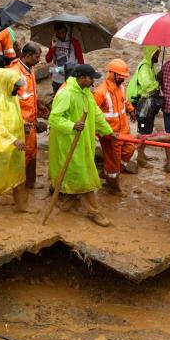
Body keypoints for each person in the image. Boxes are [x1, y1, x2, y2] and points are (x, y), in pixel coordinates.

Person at [48, 63, 116, 227]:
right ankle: (94, 212)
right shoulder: (66, 94)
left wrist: (108, 131)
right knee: (84, 178)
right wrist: (72, 125)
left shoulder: (86, 93)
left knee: (74, 176)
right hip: (69, 143)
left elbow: (97, 114)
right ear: (81, 78)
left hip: (84, 142)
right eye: (91, 78)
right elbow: (54, 119)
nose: (93, 81)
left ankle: (66, 205)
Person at [0, 67, 31, 214]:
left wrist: (23, 124)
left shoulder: (11, 97)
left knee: (18, 178)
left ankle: (21, 207)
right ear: (7, 84)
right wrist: (14, 140)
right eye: (16, 86)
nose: (18, 89)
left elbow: (14, 117)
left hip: (14, 147)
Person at [93, 59, 136, 194]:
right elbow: (93, 113)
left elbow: (125, 101)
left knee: (129, 149)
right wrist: (96, 131)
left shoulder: (122, 87)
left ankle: (109, 174)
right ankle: (114, 187)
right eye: (121, 76)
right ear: (112, 74)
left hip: (124, 130)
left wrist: (131, 110)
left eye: (124, 76)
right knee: (113, 161)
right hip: (110, 134)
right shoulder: (101, 92)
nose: (123, 79)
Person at [9, 42, 48, 188]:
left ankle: (29, 183)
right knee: (23, 154)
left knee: (31, 152)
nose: (39, 60)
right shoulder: (15, 73)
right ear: (27, 56)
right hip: (21, 122)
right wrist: (20, 122)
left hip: (31, 118)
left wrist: (39, 105)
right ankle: (17, 186)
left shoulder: (29, 69)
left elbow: (30, 93)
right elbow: (9, 100)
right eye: (37, 57)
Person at [45, 22, 84, 94]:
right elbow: (48, 60)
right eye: (58, 33)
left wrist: (81, 76)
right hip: (57, 77)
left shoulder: (74, 42)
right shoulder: (54, 42)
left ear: (66, 31)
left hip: (71, 77)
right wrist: (52, 48)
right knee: (58, 98)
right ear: (55, 33)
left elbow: (81, 60)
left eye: (63, 32)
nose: (61, 35)